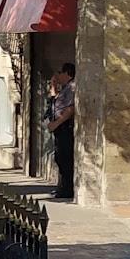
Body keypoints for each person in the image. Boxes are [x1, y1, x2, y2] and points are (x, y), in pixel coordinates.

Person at [47, 62, 78, 201]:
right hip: (60, 128)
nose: (58, 75)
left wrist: (56, 123)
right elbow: (54, 102)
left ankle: (67, 189)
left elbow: (70, 109)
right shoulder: (65, 88)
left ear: (67, 73)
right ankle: (63, 187)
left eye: (60, 72)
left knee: (65, 158)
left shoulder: (71, 87)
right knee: (60, 157)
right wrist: (53, 86)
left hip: (65, 127)